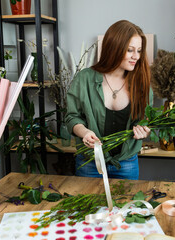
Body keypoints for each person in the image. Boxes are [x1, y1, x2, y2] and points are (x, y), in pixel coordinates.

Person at [65, 20, 153, 180]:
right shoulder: (84, 79)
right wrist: (84, 132)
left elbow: (146, 120)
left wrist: (143, 130)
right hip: (90, 163)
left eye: (139, 51)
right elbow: (72, 117)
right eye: (130, 50)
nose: (136, 56)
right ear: (114, 48)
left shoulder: (141, 84)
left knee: (127, 205)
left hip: (126, 163)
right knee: (87, 206)